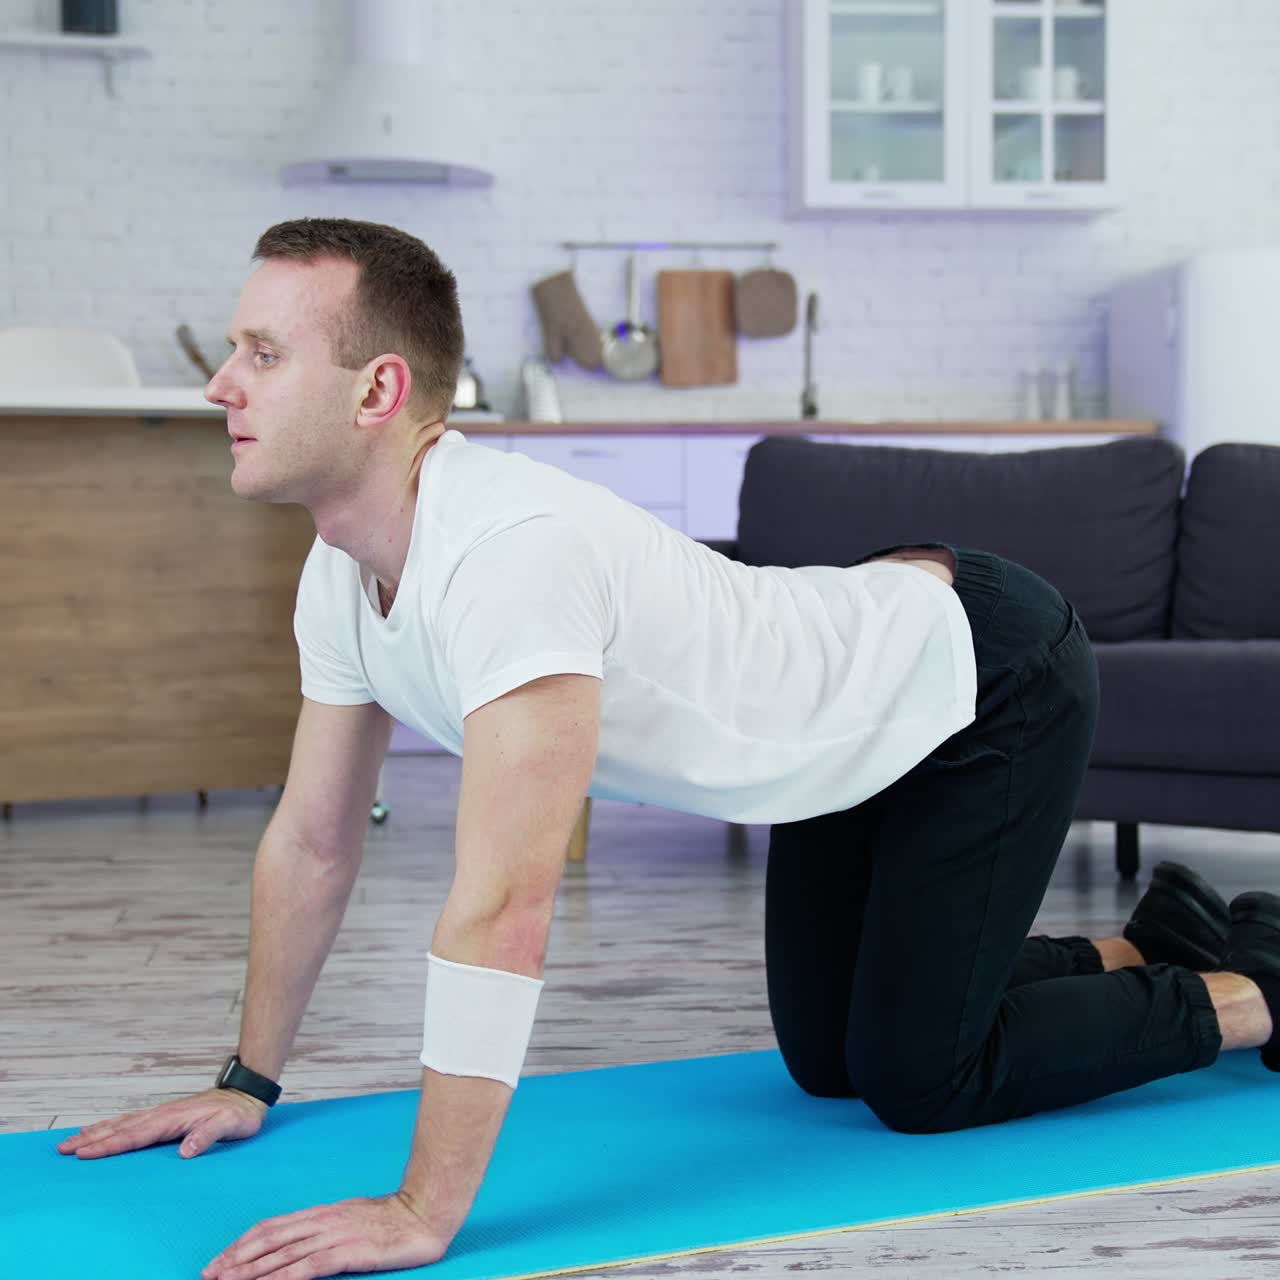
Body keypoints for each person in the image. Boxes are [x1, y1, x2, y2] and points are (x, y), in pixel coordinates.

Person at [54, 218, 1280, 1280]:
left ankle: (1248, 990)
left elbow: (503, 909)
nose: (221, 384)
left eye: (261, 355)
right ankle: (1149, 932)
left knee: (918, 1081)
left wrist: (424, 1205)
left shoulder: (506, 553)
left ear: (376, 391)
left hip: (981, 676)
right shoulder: (342, 567)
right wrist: (245, 1079)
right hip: (837, 719)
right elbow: (313, 840)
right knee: (826, 1062)